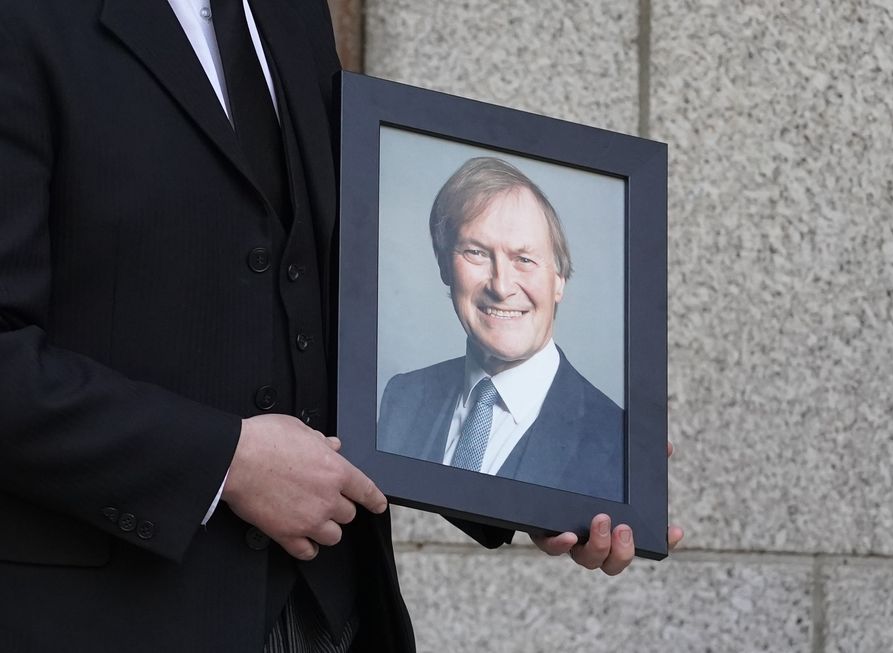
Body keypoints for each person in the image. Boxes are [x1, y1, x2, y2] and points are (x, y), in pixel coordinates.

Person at [0, 2, 680, 651]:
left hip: (337, 618)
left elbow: (315, 296)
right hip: (118, 617)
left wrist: (532, 482)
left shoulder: (291, 11)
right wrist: (224, 461)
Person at [378, 157, 624, 500]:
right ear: (444, 267)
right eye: (476, 252)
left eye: (524, 259)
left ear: (560, 281)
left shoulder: (617, 441)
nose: (501, 286)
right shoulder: (402, 398)